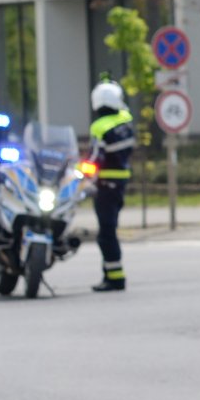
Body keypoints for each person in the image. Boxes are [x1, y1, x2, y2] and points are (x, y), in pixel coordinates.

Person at [87, 80, 135, 290]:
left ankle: (115, 277)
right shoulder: (126, 121)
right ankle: (113, 274)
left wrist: (81, 172)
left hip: (105, 185)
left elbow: (95, 158)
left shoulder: (100, 127)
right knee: (110, 230)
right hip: (120, 183)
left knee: (106, 233)